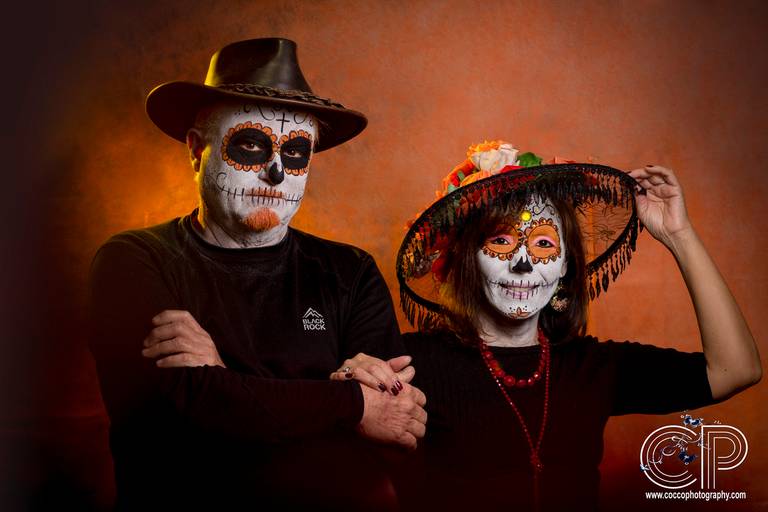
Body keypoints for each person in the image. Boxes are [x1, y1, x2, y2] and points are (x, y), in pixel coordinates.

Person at [88, 38, 426, 511]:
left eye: (295, 153)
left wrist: (224, 382)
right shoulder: (134, 261)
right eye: (249, 144)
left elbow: (397, 432)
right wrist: (349, 404)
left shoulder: (349, 272)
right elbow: (175, 419)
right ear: (195, 149)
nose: (275, 172)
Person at [370, 140, 759, 510]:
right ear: (468, 259)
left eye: (543, 244)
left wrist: (679, 235)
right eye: (502, 242)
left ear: (564, 267)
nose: (522, 264)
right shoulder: (412, 363)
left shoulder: (593, 368)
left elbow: (736, 369)